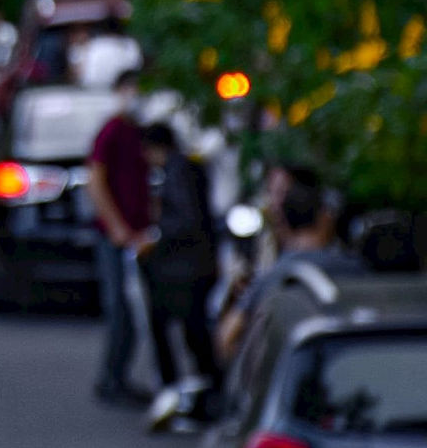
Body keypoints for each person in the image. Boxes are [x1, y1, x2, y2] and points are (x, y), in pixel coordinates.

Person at [216, 168, 365, 361]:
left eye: (280, 192)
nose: (273, 202)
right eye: (271, 192)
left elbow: (226, 339)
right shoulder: (357, 270)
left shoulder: (273, 277)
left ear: (284, 222)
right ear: (325, 218)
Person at [137, 123, 220, 429]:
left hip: (182, 269)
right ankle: (199, 395)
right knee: (192, 332)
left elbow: (186, 218)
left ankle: (194, 395)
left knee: (187, 331)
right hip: (193, 265)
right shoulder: (188, 168)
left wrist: (157, 237)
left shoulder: (177, 172)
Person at [87, 70, 152, 406]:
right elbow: (95, 182)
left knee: (134, 309)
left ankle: (120, 375)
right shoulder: (111, 131)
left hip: (138, 237)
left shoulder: (141, 134)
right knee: (120, 309)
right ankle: (111, 378)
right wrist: (115, 227)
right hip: (115, 237)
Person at [72, 19, 142, 90]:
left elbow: (77, 73)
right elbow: (136, 67)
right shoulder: (130, 44)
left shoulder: (90, 45)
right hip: (116, 91)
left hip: (91, 90)